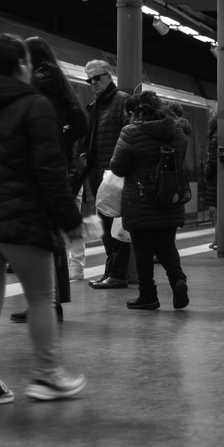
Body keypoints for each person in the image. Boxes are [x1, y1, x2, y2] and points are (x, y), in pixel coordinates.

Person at [0, 34, 87, 404]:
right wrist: (71, 222)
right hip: (22, 218)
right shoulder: (35, 105)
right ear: (20, 66)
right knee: (41, 297)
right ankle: (47, 376)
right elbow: (50, 174)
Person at [9, 37, 91, 325]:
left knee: (31, 239)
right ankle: (52, 304)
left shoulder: (29, 83)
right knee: (49, 238)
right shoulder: (63, 87)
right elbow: (81, 124)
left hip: (28, 166)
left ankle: (41, 305)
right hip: (54, 165)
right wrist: (60, 141)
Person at [109, 89, 190, 311]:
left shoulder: (131, 132)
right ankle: (177, 279)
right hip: (169, 198)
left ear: (136, 111)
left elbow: (118, 167)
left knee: (143, 248)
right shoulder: (177, 131)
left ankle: (148, 295)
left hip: (140, 198)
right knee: (166, 244)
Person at [80, 59, 132, 290]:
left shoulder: (121, 100)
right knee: (106, 228)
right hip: (99, 173)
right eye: (89, 80)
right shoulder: (97, 105)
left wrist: (118, 169)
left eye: (97, 78)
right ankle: (110, 272)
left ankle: (118, 274)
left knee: (115, 227)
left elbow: (128, 137)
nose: (93, 83)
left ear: (109, 76)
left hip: (114, 174)